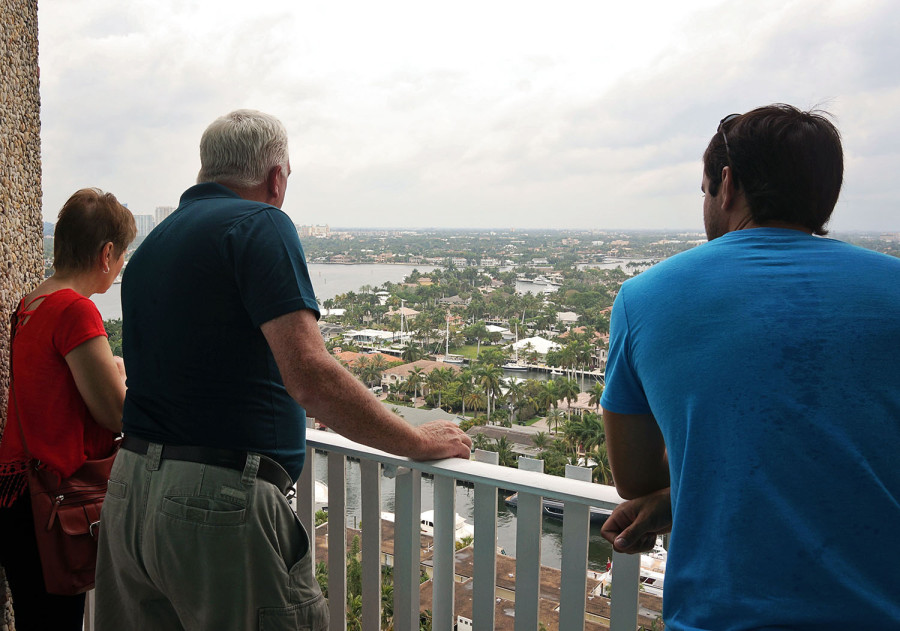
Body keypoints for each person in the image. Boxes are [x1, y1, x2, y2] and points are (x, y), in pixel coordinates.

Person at [94, 109, 473, 631]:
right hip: (216, 507)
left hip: (131, 492)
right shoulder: (261, 223)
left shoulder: (150, 249)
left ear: (207, 171)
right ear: (276, 177)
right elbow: (310, 377)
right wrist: (414, 441)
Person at [599, 104, 900, 628]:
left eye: (704, 190)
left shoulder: (644, 298)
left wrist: (691, 487)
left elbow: (636, 476)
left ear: (727, 183)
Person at [0, 188, 134, 630]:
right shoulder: (76, 311)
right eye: (121, 257)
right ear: (106, 252)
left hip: (19, 494)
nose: (118, 268)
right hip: (53, 505)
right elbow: (116, 413)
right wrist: (120, 372)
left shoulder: (30, 305)